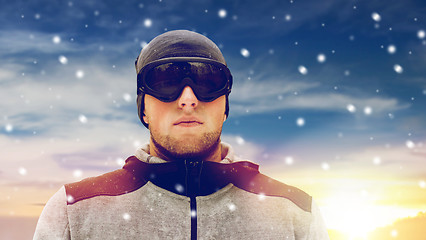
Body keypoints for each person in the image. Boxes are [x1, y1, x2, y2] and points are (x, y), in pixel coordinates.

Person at [33, 30, 329, 240]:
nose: (188, 99)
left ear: (225, 106)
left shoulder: (295, 211)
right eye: (165, 81)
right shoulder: (74, 210)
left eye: (208, 81)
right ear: (143, 109)